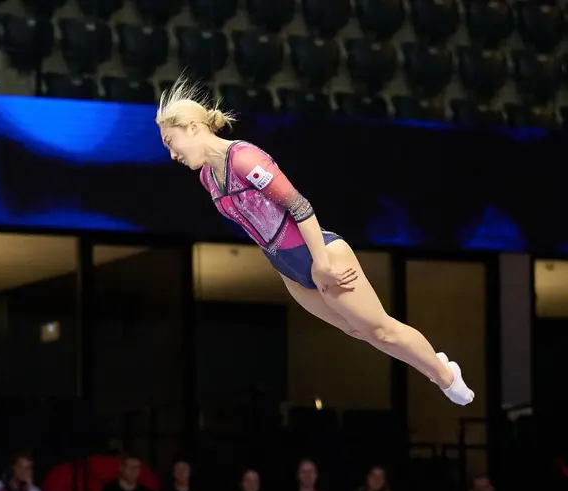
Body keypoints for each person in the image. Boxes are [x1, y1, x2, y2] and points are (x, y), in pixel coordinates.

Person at [154, 79, 474, 406]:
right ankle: (435, 368)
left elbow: (300, 206)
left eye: (170, 141)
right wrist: (289, 271)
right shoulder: (208, 177)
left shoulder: (244, 159)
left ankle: (445, 375)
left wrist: (320, 263)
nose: (172, 153)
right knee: (358, 331)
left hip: (321, 256)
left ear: (193, 128)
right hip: (290, 269)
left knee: (382, 330)